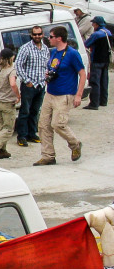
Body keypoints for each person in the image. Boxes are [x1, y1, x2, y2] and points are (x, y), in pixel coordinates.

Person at [34, 26, 86, 166]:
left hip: (64, 95)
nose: (48, 39)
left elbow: (82, 74)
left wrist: (78, 95)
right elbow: (54, 68)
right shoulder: (54, 53)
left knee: (58, 124)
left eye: (50, 37)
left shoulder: (72, 54)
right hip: (50, 93)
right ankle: (48, 155)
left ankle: (75, 144)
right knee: (44, 125)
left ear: (59, 38)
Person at [14, 25, 50, 147]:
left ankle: (32, 133)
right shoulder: (25, 48)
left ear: (42, 34)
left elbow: (47, 65)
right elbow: (18, 65)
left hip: (41, 85)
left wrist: (46, 79)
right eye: (35, 34)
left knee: (35, 111)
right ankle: (22, 136)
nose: (37, 36)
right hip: (29, 85)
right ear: (31, 35)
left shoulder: (45, 48)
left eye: (39, 34)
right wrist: (26, 81)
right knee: (25, 111)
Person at [84, 16, 111, 110]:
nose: (92, 25)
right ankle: (103, 101)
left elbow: (86, 44)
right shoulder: (108, 32)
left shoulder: (96, 34)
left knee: (94, 82)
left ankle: (94, 103)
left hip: (97, 60)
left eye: (93, 23)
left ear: (97, 24)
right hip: (106, 61)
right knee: (104, 81)